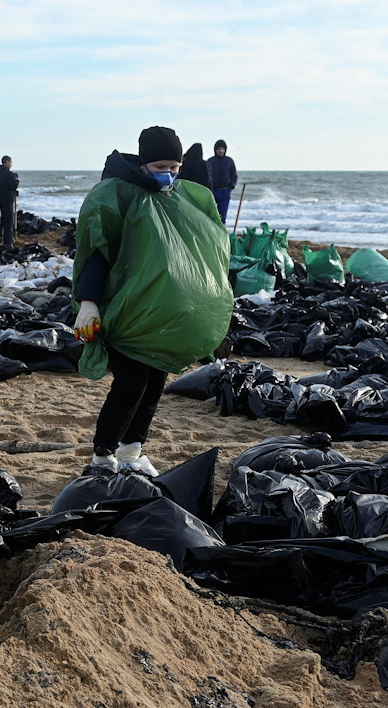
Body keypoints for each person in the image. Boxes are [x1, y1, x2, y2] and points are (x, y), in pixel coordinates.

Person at [71, 125, 232, 476]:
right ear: (143, 163)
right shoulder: (119, 196)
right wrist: (88, 301)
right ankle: (102, 457)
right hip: (127, 313)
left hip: (162, 318)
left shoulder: (178, 200)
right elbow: (96, 252)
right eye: (161, 166)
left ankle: (131, 452)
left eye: (175, 167)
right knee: (131, 385)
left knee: (155, 385)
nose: (169, 174)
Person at [206, 139, 237, 223]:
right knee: (211, 214)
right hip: (213, 191)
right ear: (215, 150)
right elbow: (207, 175)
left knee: (222, 216)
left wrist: (231, 186)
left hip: (224, 191)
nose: (221, 151)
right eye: (219, 149)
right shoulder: (210, 161)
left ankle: (222, 232)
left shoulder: (229, 161)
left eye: (222, 149)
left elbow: (234, 175)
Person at [0, 155, 20, 249]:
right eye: (11, 162)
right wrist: (17, 180)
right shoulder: (8, 174)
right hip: (7, 200)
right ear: (7, 162)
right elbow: (13, 186)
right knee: (8, 222)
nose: (11, 164)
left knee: (0, 221)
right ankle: (8, 243)